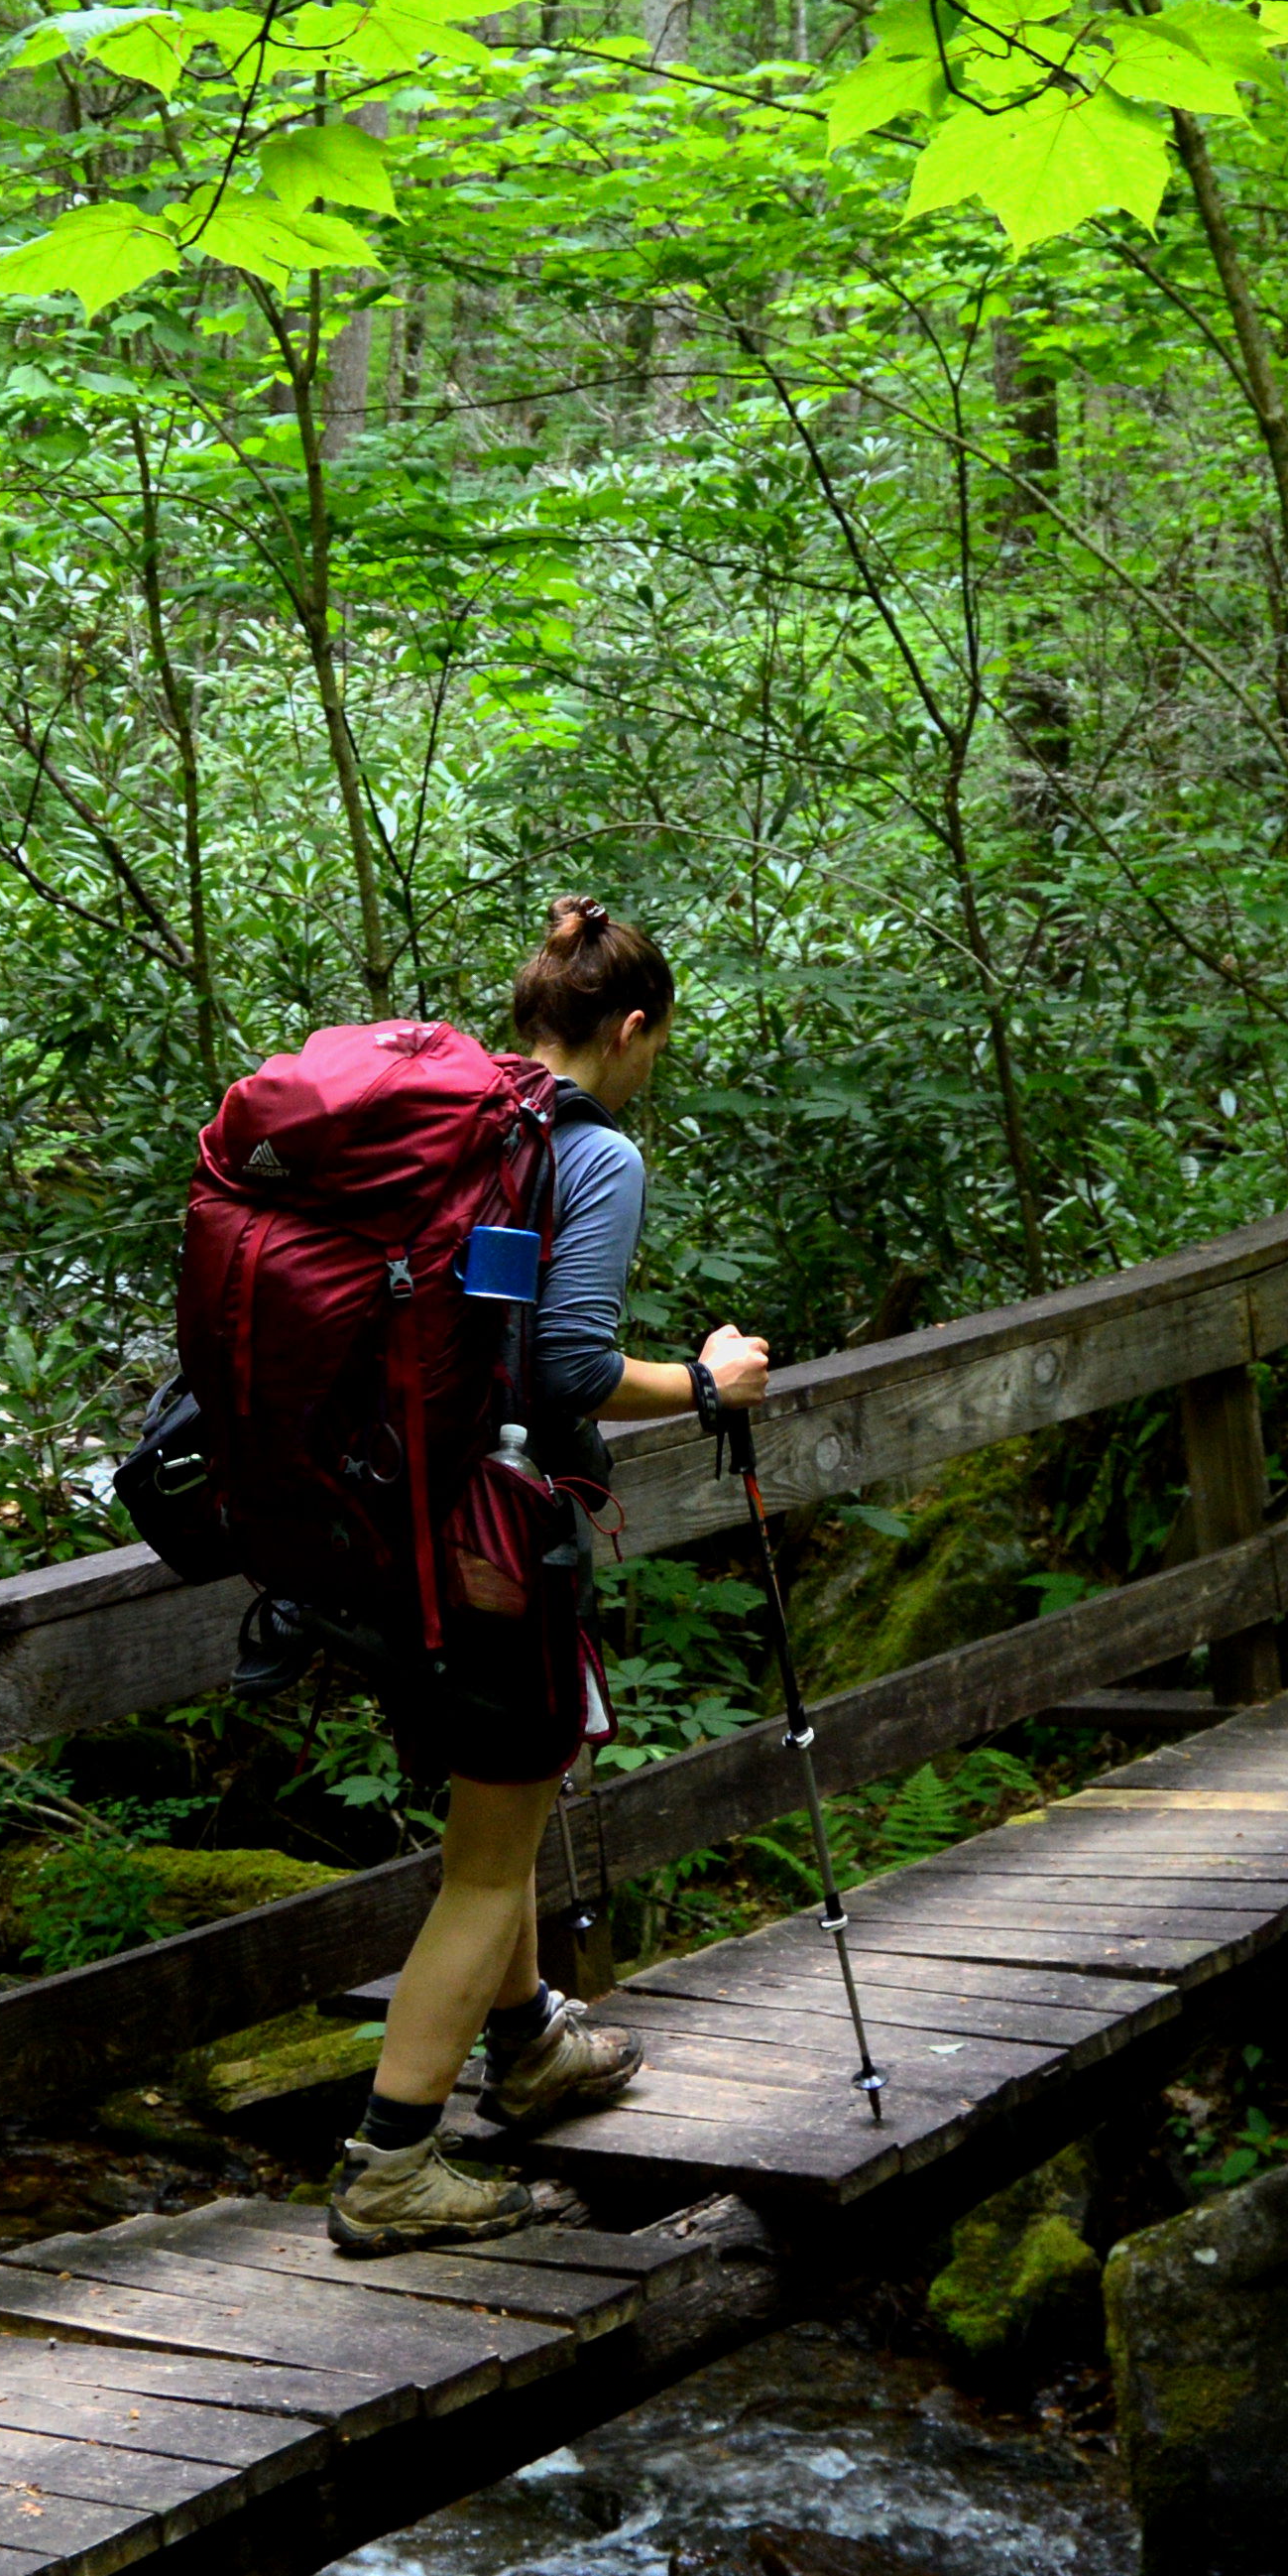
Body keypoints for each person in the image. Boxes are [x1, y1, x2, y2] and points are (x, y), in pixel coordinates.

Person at [329, 898, 770, 2256]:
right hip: (498, 1542)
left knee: (494, 1819)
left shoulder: (455, 1122)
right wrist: (707, 1382)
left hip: (386, 1517)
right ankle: (390, 2162)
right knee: (486, 1859)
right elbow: (573, 1367)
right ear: (630, 1030)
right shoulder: (590, 1154)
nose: (651, 1073)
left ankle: (527, 2048)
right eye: (658, 1048)